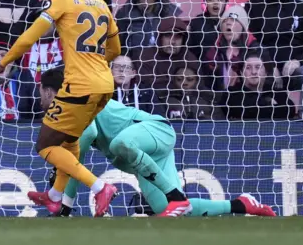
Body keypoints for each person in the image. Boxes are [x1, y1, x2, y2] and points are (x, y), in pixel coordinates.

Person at [31, 68, 276, 218]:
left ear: (50, 92)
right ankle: (242, 204)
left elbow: (83, 141)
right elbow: (77, 158)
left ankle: (176, 194)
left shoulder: (75, 104)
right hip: (145, 154)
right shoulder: (68, 110)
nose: (39, 96)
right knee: (164, 208)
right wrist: (65, 204)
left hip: (154, 130)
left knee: (118, 143)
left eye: (40, 91)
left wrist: (69, 188)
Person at [0, 0, 121, 217]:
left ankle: (100, 187)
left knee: (45, 145)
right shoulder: (101, 4)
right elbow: (115, 49)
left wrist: (3, 62)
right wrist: (94, 65)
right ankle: (54, 196)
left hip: (80, 85)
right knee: (69, 140)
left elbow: (29, 37)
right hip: (105, 84)